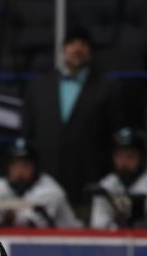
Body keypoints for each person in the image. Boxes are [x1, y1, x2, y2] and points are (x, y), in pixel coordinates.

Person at [22, 26, 124, 210]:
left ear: (90, 50)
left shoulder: (108, 88)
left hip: (89, 183)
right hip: (47, 183)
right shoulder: (39, 87)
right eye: (72, 44)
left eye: (83, 44)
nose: (77, 49)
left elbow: (115, 135)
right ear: (63, 48)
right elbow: (28, 132)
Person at [0, 137, 79, 228]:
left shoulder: (50, 190)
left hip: (73, 242)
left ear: (35, 167)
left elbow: (30, 225)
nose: (20, 171)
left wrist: (7, 216)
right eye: (15, 165)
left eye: (25, 165)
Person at [89, 126, 147, 229]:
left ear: (142, 158)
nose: (123, 162)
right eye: (118, 156)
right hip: (115, 243)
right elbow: (99, 226)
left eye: (130, 156)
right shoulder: (106, 185)